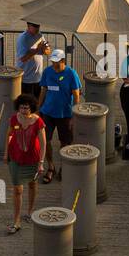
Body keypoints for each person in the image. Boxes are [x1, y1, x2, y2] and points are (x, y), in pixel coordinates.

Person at [4, 94, 46, 234]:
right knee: (17, 190)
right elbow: (9, 135)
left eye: (26, 108)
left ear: (31, 108)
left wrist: (41, 162)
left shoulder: (38, 121)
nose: (23, 110)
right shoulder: (14, 119)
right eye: (21, 107)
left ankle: (30, 211)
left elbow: (43, 143)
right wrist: (6, 153)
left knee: (33, 184)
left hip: (33, 159)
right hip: (16, 158)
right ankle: (16, 221)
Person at [38, 48, 82, 182]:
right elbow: (44, 90)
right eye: (53, 62)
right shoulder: (47, 72)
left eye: (57, 62)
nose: (54, 65)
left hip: (65, 114)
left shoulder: (71, 74)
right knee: (46, 141)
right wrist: (38, 108)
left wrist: (75, 115)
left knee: (65, 142)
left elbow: (76, 95)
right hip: (48, 113)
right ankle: (51, 167)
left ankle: (64, 167)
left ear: (63, 61)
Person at [16, 20, 51, 105]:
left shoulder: (40, 35)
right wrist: (37, 49)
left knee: (37, 104)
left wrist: (45, 49)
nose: (37, 28)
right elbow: (23, 58)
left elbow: (48, 52)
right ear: (28, 26)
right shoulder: (23, 38)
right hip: (26, 79)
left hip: (38, 78)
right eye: (34, 25)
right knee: (26, 105)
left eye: (38, 25)